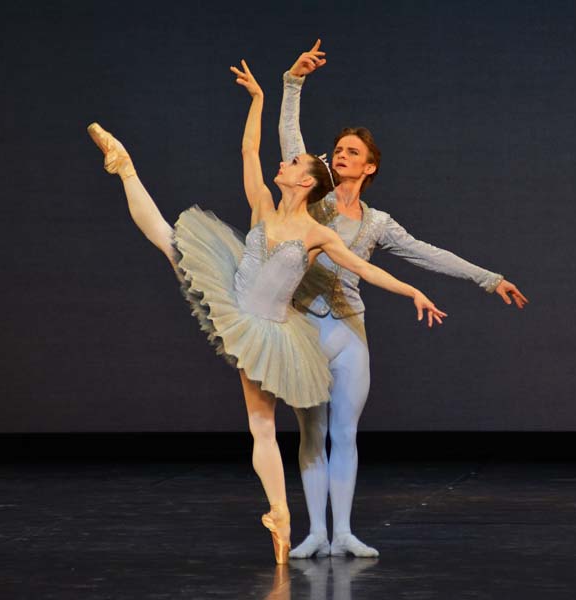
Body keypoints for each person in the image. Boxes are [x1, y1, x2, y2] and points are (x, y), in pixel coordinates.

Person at [87, 59, 446, 564]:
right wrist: (257, 100)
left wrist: (412, 292)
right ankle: (124, 165)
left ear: (307, 182)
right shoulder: (262, 205)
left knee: (262, 427)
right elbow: (249, 149)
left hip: (270, 331)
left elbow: (366, 271)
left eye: (294, 163)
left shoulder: (317, 233)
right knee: (168, 239)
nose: (285, 163)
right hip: (232, 298)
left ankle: (280, 515)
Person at [279, 40, 530, 559]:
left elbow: (427, 253)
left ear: (370, 166)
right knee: (312, 432)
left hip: (349, 330)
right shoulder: (314, 201)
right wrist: (293, 83)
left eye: (353, 152)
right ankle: (316, 532)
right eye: (338, 149)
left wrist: (489, 279)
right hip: (303, 326)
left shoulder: (377, 223)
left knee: (345, 432)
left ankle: (343, 532)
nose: (341, 155)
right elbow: (291, 144)